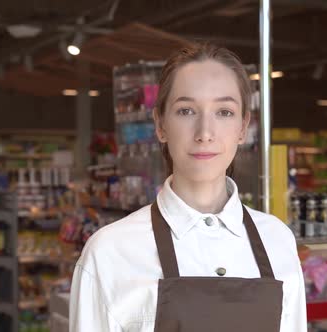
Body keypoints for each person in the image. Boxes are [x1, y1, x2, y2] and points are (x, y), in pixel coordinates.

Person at [69, 43, 307, 332]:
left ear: (243, 127)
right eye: (186, 111)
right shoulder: (110, 253)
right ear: (160, 125)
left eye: (224, 112)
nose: (205, 133)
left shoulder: (277, 241)